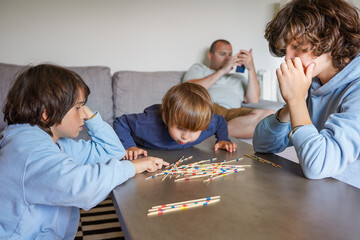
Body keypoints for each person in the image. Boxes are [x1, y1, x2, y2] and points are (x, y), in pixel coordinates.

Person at [0, 64, 169, 239]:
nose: (83, 114)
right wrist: (131, 167)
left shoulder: (56, 143)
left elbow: (114, 151)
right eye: (78, 108)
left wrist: (92, 117)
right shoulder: (29, 152)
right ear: (47, 113)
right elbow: (83, 188)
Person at [253, 0, 360, 188]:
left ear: (329, 40)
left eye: (296, 46)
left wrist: (296, 100)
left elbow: (318, 166)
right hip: (323, 194)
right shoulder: (313, 81)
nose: (287, 58)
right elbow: (262, 145)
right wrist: (292, 102)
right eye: (285, 48)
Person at [114, 82, 237, 160]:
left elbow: (220, 120)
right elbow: (120, 122)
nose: (185, 136)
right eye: (180, 128)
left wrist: (223, 139)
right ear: (167, 118)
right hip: (145, 146)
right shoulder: (147, 123)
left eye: (194, 130)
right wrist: (130, 146)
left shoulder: (206, 123)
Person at [183, 39, 274, 139]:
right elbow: (190, 90)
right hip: (208, 108)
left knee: (269, 116)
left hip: (232, 114)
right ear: (210, 56)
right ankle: (216, 131)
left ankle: (217, 131)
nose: (227, 58)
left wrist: (251, 68)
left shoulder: (238, 78)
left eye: (230, 55)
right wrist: (223, 70)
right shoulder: (200, 68)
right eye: (222, 54)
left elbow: (254, 100)